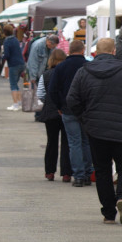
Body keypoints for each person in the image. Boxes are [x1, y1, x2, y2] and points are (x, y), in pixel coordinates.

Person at [67, 38, 122, 225]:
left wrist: (84, 118)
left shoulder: (83, 72)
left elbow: (72, 99)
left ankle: (108, 213)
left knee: (102, 170)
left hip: (96, 130)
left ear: (96, 53)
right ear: (114, 51)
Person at [48, 40, 93, 187]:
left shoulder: (61, 67)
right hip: (86, 110)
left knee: (74, 143)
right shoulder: (88, 66)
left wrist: (59, 105)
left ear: (69, 50)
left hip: (68, 109)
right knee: (86, 142)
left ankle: (78, 176)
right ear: (83, 50)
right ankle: (88, 174)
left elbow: (52, 90)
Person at [37, 49, 71, 182]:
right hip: (66, 110)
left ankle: (50, 171)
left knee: (51, 141)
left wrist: (49, 101)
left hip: (50, 112)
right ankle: (66, 173)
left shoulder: (45, 74)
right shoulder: (68, 74)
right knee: (67, 142)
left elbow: (40, 94)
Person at [27, 34, 59, 121]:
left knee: (44, 94)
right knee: (39, 94)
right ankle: (38, 115)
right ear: (49, 42)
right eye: (53, 46)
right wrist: (33, 77)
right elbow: (33, 62)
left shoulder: (51, 47)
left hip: (46, 73)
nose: (53, 48)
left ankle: (42, 114)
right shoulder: (37, 46)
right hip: (38, 74)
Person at [2, 24, 25, 111]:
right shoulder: (15, 39)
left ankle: (15, 104)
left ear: (4, 32)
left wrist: (2, 57)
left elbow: (7, 55)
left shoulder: (7, 41)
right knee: (16, 84)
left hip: (13, 64)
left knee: (13, 84)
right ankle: (20, 102)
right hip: (21, 63)